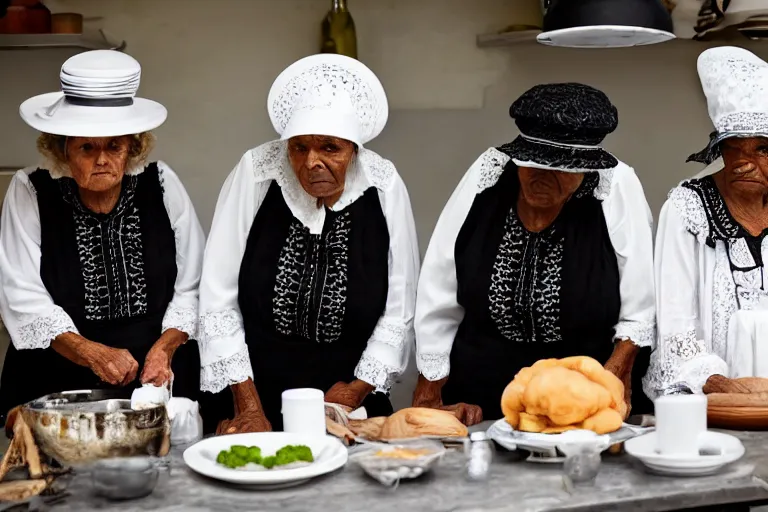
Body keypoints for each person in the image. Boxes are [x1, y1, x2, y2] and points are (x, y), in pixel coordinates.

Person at [198, 54, 419, 434]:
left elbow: (400, 307)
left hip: (349, 396)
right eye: (299, 147)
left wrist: (356, 390)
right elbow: (217, 297)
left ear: (353, 149)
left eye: (330, 148)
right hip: (252, 391)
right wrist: (248, 406)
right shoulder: (257, 171)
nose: (312, 162)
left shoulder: (383, 185)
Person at [412, 83, 656, 424]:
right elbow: (438, 287)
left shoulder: (614, 184)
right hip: (481, 395)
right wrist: (429, 391)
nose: (542, 176)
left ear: (585, 167)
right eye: (532, 163)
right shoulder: (490, 173)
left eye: (560, 168)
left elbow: (640, 306)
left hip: (581, 394)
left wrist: (614, 380)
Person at [0, 50, 204, 417]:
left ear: (132, 147)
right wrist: (91, 352)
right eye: (86, 147)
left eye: (115, 145)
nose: (102, 159)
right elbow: (21, 295)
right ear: (63, 149)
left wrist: (166, 347)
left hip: (156, 378)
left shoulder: (161, 183)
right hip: (58, 379)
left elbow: (195, 284)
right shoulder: (30, 189)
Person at [644, 47, 768, 397]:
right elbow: (674, 329)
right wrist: (721, 388)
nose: (745, 163)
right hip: (710, 403)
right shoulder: (688, 209)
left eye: (763, 149)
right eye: (734, 148)